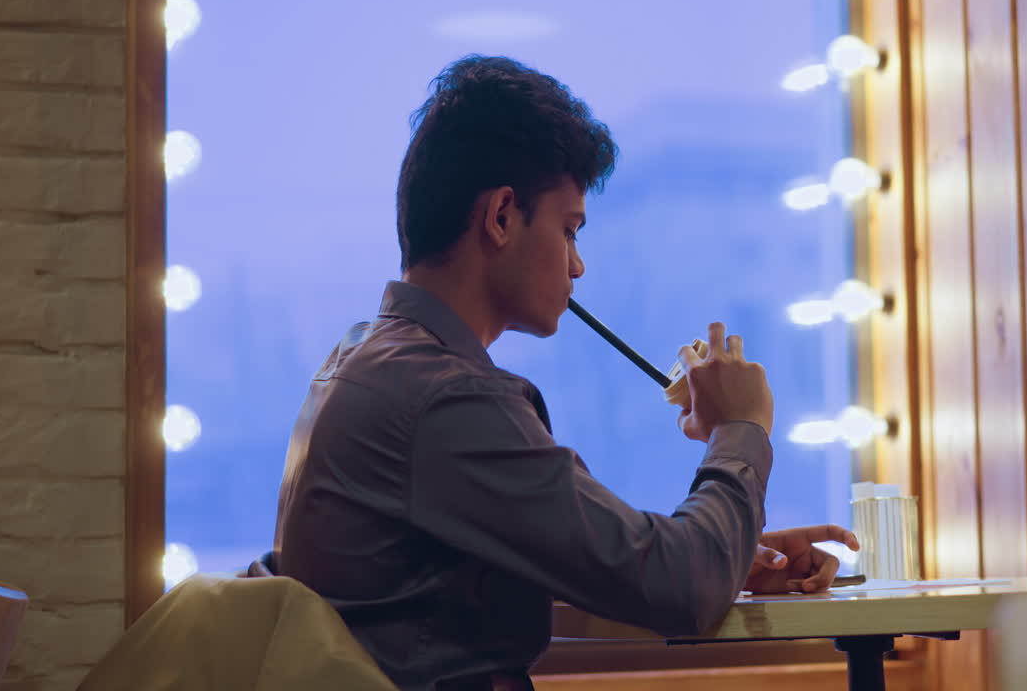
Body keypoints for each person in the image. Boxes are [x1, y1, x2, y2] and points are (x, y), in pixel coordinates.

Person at [263, 55, 858, 691]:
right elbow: (679, 589)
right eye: (569, 230)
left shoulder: (362, 356)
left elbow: (584, 567)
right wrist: (740, 428)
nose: (578, 267)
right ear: (500, 217)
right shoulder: (446, 398)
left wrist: (728, 557)